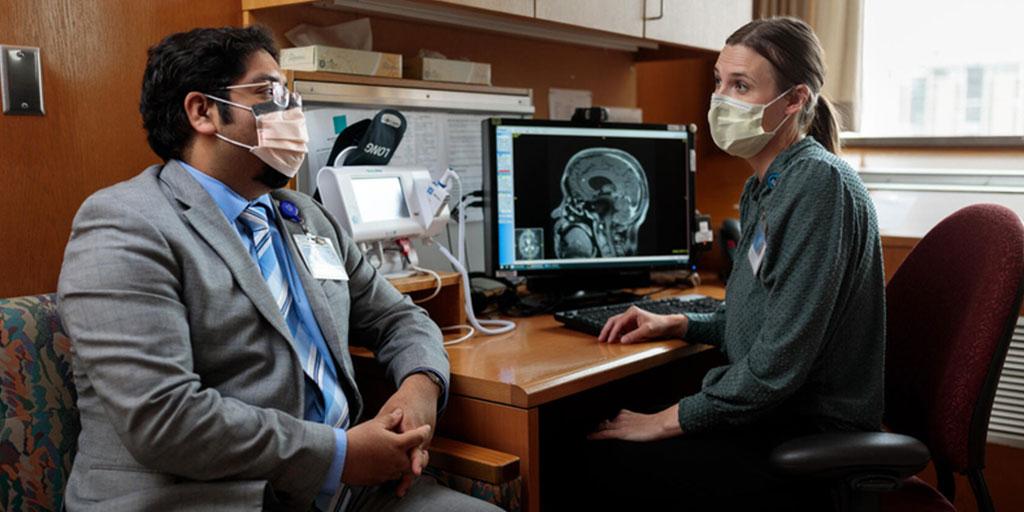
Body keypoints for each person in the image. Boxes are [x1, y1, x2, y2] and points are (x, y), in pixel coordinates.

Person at [57, 26, 500, 512]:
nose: (291, 111)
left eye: (290, 94)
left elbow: (401, 319)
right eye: (269, 93)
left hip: (348, 490)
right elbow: (164, 419)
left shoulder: (302, 216)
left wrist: (419, 389)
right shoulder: (125, 224)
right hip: (206, 497)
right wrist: (339, 455)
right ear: (202, 111)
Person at [586, 17, 885, 510]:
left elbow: (777, 363)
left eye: (741, 86)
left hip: (809, 434)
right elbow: (760, 322)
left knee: (601, 462)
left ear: (794, 101)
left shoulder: (818, 186)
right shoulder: (764, 187)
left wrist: (665, 420)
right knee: (607, 426)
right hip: (774, 414)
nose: (720, 100)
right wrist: (680, 322)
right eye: (719, 82)